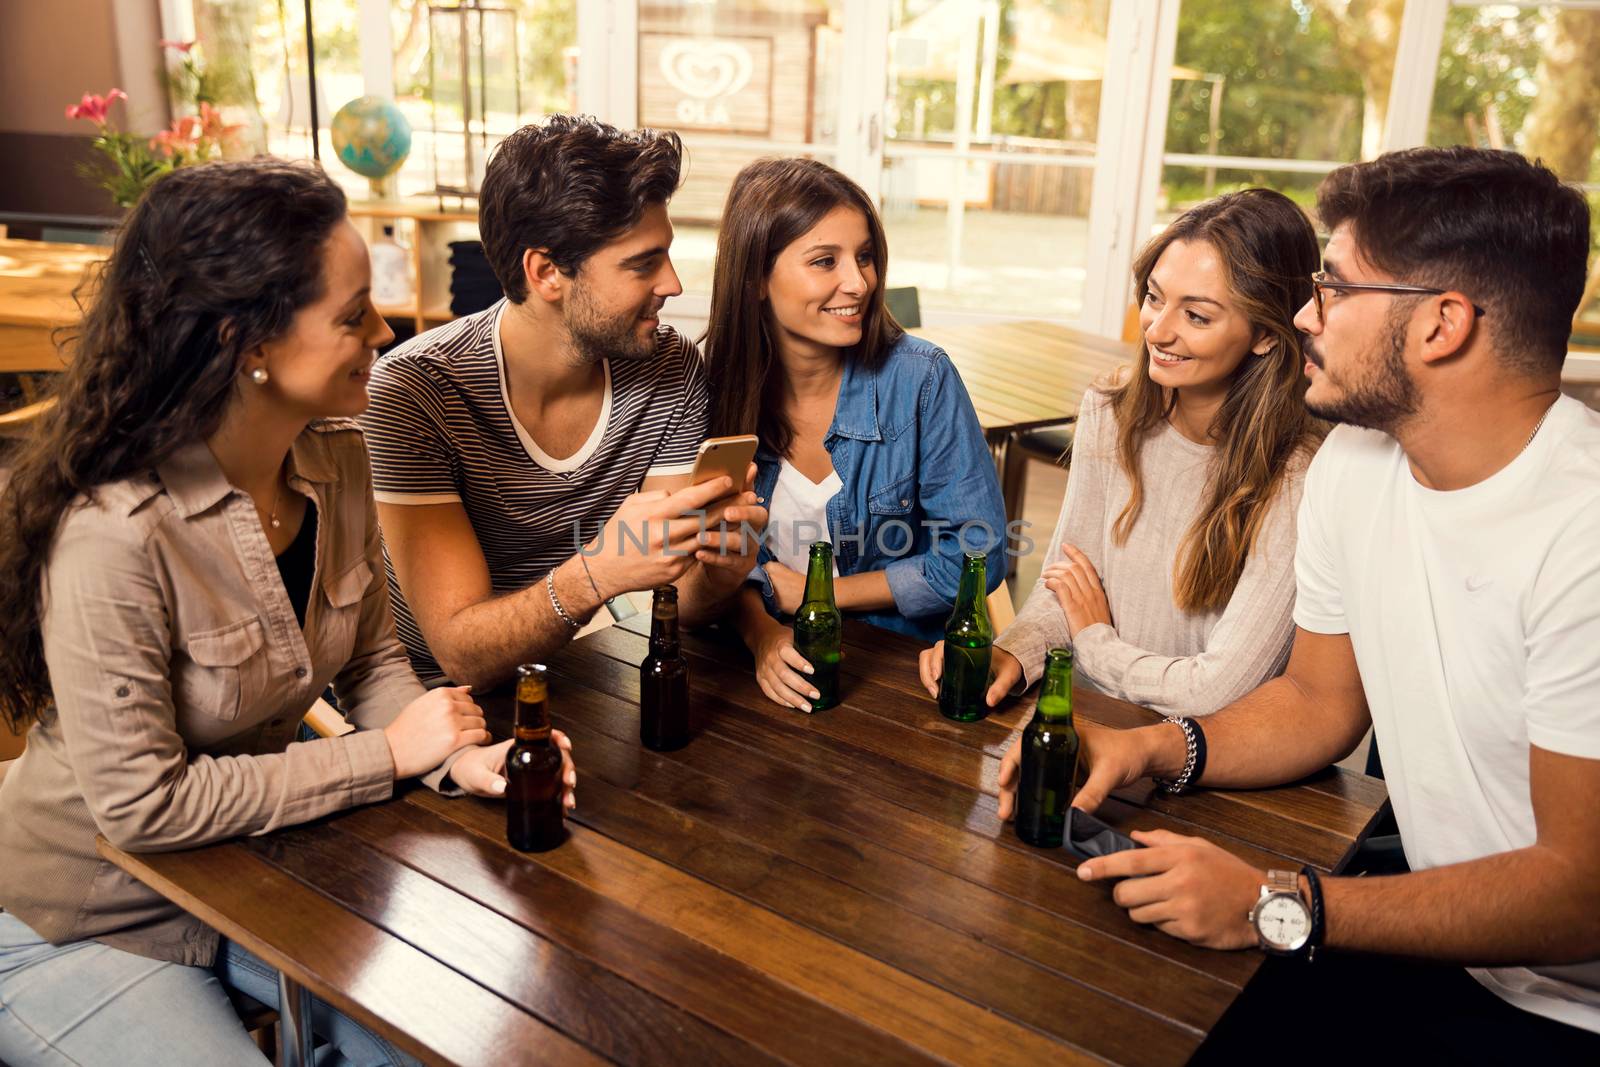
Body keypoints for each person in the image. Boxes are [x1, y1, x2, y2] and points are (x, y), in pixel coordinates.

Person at [1008, 147, 1600, 1060]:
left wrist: (1279, 901)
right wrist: (1147, 746)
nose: (1301, 314)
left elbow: (1579, 893)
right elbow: (1318, 704)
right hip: (1437, 929)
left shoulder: (1584, 534)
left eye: (1336, 287)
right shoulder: (1357, 468)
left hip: (1566, 999)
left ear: (1442, 323)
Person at [0, 159, 575, 1067]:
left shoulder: (338, 458)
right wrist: (388, 753)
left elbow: (376, 660)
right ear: (247, 343)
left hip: (254, 874)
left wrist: (456, 756)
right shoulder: (113, 532)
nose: (385, 331)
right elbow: (145, 808)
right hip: (88, 915)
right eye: (352, 315)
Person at [360, 115, 766, 689]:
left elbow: (667, 603)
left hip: (590, 673)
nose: (673, 283)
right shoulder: (416, 391)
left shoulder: (669, 366)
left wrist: (723, 575)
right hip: (442, 709)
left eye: (667, 255)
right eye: (643, 263)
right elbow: (460, 654)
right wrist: (596, 574)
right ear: (546, 271)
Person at [920, 189, 1323, 717]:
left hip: (1198, 753)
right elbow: (1067, 582)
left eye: (1197, 316)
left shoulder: (1299, 474)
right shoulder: (1111, 409)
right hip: (1084, 719)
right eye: (1155, 297)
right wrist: (1011, 655)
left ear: (1267, 334)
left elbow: (1219, 690)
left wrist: (1094, 641)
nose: (1157, 329)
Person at [701, 158, 1007, 711]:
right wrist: (764, 636)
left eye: (864, 256)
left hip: (898, 669)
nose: (859, 282)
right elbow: (715, 563)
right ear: (754, 280)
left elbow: (977, 552)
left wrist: (823, 597)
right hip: (756, 671)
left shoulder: (921, 378)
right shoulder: (712, 388)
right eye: (825, 261)